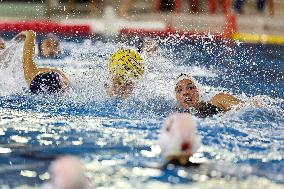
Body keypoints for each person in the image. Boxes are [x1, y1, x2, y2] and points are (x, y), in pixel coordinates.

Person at [16, 30, 68, 94]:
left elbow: (30, 34)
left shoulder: (31, 74)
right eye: (48, 45)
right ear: (40, 47)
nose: (52, 48)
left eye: (56, 45)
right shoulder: (63, 77)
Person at [175, 74, 242, 118]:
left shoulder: (219, 100)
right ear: (176, 97)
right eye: (179, 90)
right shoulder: (176, 116)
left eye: (190, 88)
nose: (185, 92)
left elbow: (247, 108)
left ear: (198, 91)